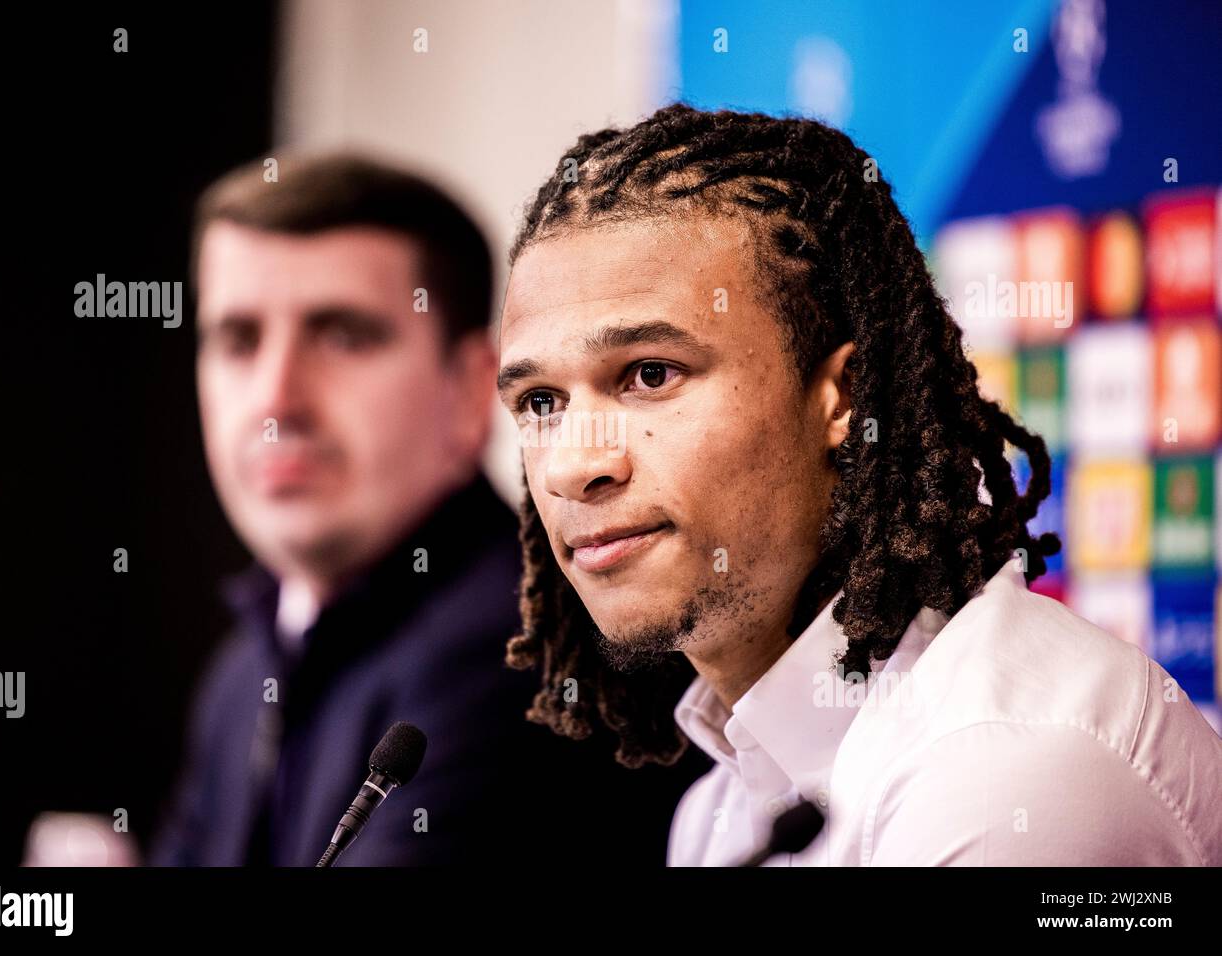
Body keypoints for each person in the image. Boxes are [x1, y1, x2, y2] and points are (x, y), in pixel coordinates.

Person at [496, 104, 1222, 866]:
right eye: (540, 403)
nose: (573, 465)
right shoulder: (720, 807)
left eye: (650, 375)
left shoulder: (1003, 778)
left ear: (843, 396)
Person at [151, 153, 701, 866]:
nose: (275, 400)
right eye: (239, 340)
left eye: (343, 336)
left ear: (472, 391)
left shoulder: (521, 653)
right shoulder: (242, 671)